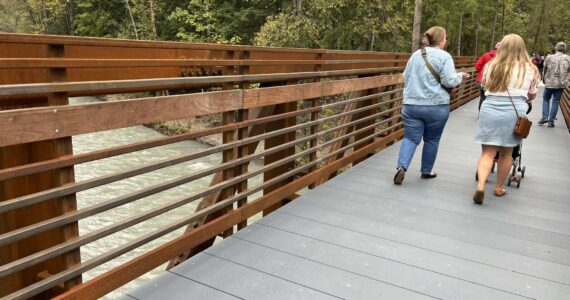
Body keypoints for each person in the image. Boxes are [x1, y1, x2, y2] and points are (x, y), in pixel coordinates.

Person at [393, 26, 470, 185]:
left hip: (412, 105)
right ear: (441, 40)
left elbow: (406, 76)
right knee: (432, 140)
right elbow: (449, 81)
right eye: (445, 37)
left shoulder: (415, 55)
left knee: (411, 138)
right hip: (436, 106)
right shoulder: (445, 57)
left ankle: (402, 167)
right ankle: (426, 171)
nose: (446, 40)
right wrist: (460, 76)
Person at [473, 34, 540, 205]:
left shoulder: (490, 65)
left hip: (490, 107)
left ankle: (481, 186)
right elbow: (531, 95)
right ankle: (498, 188)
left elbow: (485, 86)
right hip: (515, 110)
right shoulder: (530, 69)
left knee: (487, 152)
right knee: (506, 153)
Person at [539, 42, 570, 127]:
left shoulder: (549, 57)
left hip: (549, 82)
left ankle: (545, 117)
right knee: (556, 101)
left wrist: (544, 79)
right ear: (564, 49)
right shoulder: (568, 58)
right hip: (560, 84)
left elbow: (544, 69)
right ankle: (551, 121)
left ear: (556, 48)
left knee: (546, 99)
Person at [475, 42, 501, 110]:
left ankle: (481, 113)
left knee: (483, 97)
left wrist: (481, 73)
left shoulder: (485, 55)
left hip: (482, 80)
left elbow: (477, 66)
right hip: (496, 81)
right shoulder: (503, 58)